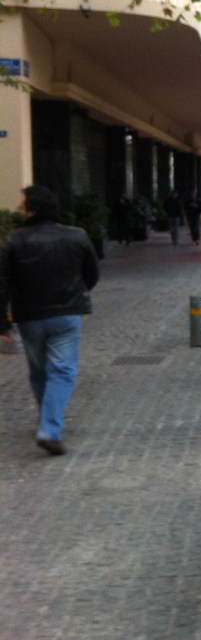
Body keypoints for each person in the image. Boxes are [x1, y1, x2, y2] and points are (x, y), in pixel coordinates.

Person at [0, 185, 100, 455]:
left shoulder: (14, 240)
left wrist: (3, 321)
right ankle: (49, 428)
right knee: (63, 371)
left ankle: (48, 423)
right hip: (67, 315)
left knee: (40, 371)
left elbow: (3, 283)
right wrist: (76, 294)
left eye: (24, 206)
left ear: (32, 210)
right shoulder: (77, 236)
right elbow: (92, 274)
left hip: (30, 317)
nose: (21, 210)